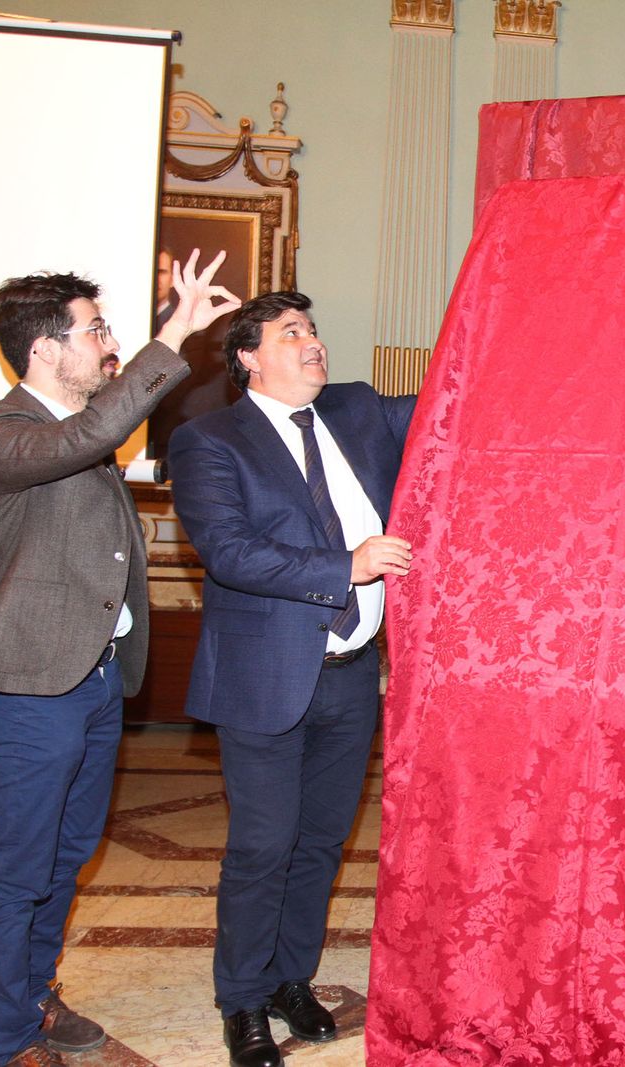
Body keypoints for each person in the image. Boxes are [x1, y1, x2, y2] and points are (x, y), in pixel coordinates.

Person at [0, 254, 239, 1067]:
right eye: (96, 330)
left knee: (68, 856)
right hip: (34, 685)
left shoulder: (76, 435)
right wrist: (174, 332)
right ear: (44, 350)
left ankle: (35, 994)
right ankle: (5, 1040)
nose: (108, 345)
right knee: (17, 868)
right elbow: (94, 431)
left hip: (98, 676)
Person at [165, 291, 418, 1067]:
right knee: (263, 846)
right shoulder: (208, 440)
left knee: (318, 844)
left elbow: (458, 399)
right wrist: (345, 565)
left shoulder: (358, 410)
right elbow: (229, 550)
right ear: (248, 357)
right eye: (292, 333)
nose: (313, 343)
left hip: (348, 679)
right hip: (265, 675)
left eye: (313, 330)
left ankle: (288, 979)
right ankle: (241, 1001)